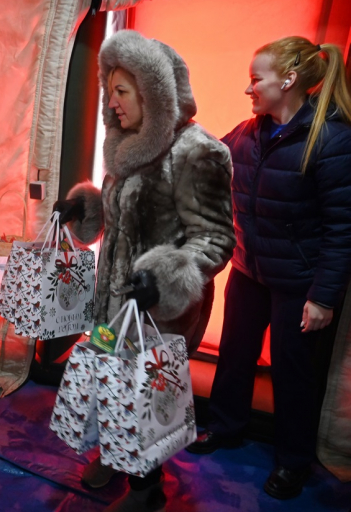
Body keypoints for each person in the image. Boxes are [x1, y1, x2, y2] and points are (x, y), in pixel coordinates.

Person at [54, 30, 235, 511]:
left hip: (159, 311)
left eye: (121, 91)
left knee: (141, 392)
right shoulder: (127, 146)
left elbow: (216, 239)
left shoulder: (197, 152)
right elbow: (121, 217)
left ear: (153, 93)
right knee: (110, 380)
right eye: (108, 90)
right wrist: (84, 207)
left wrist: (165, 278)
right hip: (113, 304)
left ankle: (146, 489)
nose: (111, 103)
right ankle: (115, 457)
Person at [186, 36, 351, 500]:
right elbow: (207, 159)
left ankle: (292, 461)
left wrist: (322, 297)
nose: (249, 88)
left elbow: (343, 229)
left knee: (293, 373)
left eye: (256, 79)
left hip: (300, 282)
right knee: (235, 354)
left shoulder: (333, 140)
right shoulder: (248, 131)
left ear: (290, 80)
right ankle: (226, 426)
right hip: (249, 270)